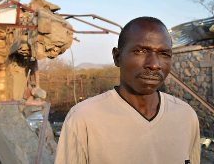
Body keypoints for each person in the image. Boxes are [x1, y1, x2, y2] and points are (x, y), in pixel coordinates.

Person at [54, 17, 200, 164]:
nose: (154, 64)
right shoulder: (83, 118)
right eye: (141, 51)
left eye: (164, 54)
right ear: (117, 57)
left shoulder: (186, 116)